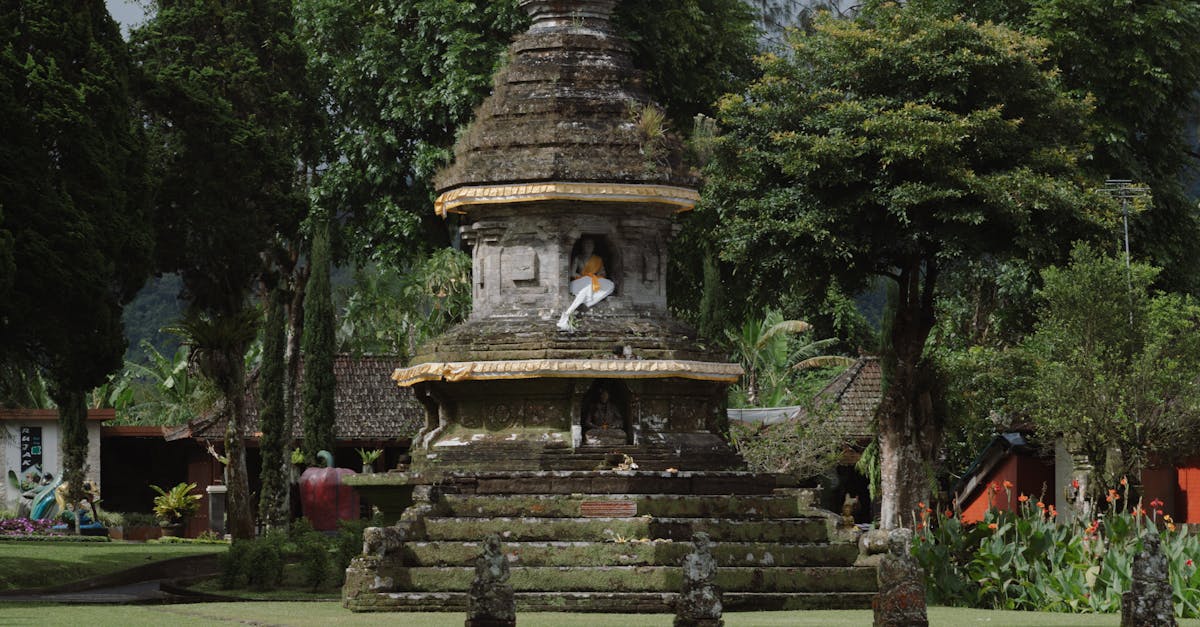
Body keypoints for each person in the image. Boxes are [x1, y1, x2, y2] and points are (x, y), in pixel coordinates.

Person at [556, 237, 615, 330]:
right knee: (588, 281)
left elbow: (603, 273)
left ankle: (580, 304)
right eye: (586, 245)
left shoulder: (598, 259)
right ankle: (570, 312)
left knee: (610, 284)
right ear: (582, 247)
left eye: (590, 245)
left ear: (593, 247)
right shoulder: (578, 258)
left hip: (593, 280)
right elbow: (572, 273)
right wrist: (584, 276)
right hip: (580, 280)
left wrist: (593, 275)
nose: (588, 247)